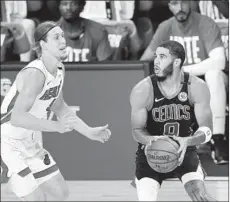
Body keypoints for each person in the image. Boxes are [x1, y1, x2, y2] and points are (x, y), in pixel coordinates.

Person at [0, 21, 111, 201]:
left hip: (30, 141)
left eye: (62, 36)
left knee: (60, 193)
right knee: (36, 199)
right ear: (43, 45)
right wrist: (56, 126)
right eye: (56, 37)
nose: (63, 41)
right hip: (7, 142)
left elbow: (59, 107)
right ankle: (10, 180)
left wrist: (89, 132)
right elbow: (17, 118)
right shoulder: (35, 74)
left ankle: (15, 183)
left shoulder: (59, 69)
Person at [140, 0, 228, 164]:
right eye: (174, 3)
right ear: (169, 6)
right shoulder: (166, 27)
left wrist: (183, 71)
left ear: (192, 3)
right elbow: (145, 60)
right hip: (180, 84)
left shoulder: (205, 23)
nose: (180, 8)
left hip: (206, 81)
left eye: (183, 3)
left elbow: (219, 62)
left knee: (214, 74)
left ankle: (218, 139)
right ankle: (167, 143)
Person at [130, 40, 216, 201]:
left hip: (185, 150)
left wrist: (188, 140)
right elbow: (136, 130)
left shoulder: (196, 86)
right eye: (156, 56)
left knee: (201, 196)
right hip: (151, 154)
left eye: (162, 57)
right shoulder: (143, 89)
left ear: (177, 62)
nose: (156, 61)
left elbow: (207, 130)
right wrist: (151, 139)